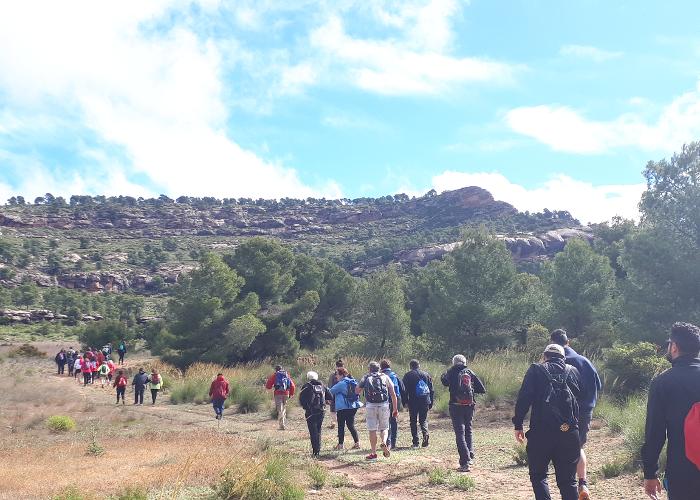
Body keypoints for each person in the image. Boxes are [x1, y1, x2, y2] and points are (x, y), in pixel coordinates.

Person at [513, 344, 582, 500]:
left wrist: (518, 424)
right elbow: (581, 402)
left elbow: (524, 399)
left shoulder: (536, 370)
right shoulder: (574, 371)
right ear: (563, 357)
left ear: (545, 356)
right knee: (568, 481)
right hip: (569, 433)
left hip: (541, 433)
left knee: (539, 476)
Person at [642, 322, 700, 500]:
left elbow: (655, 433)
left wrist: (650, 473)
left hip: (683, 471)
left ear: (674, 347)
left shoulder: (663, 383)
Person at [550, 329, 602, 500]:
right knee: (577, 447)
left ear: (551, 343)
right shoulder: (584, 361)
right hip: (583, 412)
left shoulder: (552, 363)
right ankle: (582, 483)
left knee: (560, 449)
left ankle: (568, 485)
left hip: (560, 414)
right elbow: (598, 386)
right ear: (568, 342)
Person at [441, 354, 486, 472]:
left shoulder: (450, 371)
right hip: (470, 406)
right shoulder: (469, 372)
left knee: (459, 433)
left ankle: (465, 462)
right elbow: (482, 389)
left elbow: (444, 382)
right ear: (464, 362)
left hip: (455, 406)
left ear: (454, 362)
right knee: (468, 430)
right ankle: (470, 454)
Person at [357, 361, 398, 461]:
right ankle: (384, 442)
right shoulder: (385, 377)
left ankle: (373, 453)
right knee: (384, 428)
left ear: (369, 369)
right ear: (379, 369)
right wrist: (395, 409)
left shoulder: (366, 377)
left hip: (370, 406)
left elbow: (357, 390)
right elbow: (393, 394)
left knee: (372, 430)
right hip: (384, 405)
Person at [299, 371, 333, 457]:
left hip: (310, 412)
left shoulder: (306, 386)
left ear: (308, 378)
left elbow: (301, 399)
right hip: (321, 411)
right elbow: (330, 397)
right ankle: (318, 450)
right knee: (318, 430)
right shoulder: (322, 386)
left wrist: (306, 408)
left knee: (312, 431)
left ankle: (315, 451)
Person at [402, 359, 434, 449]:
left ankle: (415, 442)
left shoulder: (407, 375)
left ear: (410, 366)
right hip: (425, 400)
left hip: (413, 401)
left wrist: (405, 402)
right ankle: (425, 434)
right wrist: (431, 401)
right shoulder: (426, 375)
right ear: (418, 365)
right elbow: (431, 389)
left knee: (413, 421)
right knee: (423, 420)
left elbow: (404, 391)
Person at [329, 367, 362, 450]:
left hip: (343, 407)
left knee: (341, 426)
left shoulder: (341, 383)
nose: (335, 376)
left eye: (336, 374)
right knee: (351, 425)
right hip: (353, 407)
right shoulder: (353, 381)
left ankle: (340, 445)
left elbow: (330, 391)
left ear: (341, 375)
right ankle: (357, 443)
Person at [380, 359, 406, 450]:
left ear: (381, 367)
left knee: (385, 422)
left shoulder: (380, 376)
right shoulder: (395, 375)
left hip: (384, 400)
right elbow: (402, 389)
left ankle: (387, 442)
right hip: (396, 399)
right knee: (394, 420)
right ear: (389, 366)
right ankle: (393, 443)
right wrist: (404, 402)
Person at [265, 365, 296, 430]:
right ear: (282, 369)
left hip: (278, 394)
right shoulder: (286, 375)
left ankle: (282, 425)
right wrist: (291, 394)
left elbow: (268, 384)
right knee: (283, 409)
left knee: (280, 410)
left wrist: (269, 387)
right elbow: (292, 386)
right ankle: (283, 424)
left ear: (276, 370)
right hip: (286, 394)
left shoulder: (275, 375)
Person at [327, 359, 345, 429]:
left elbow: (329, 385)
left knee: (333, 410)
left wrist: (328, 396)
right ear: (343, 365)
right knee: (342, 409)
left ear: (336, 366)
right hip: (343, 394)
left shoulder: (332, 374)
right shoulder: (346, 373)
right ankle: (339, 422)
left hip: (333, 394)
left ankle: (334, 422)